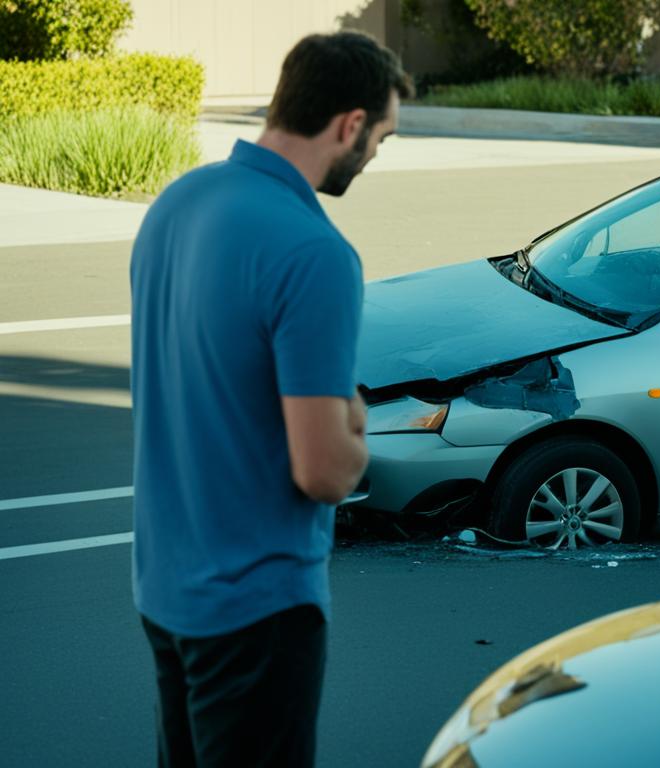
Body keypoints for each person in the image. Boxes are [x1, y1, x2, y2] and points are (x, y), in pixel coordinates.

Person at [129, 32, 413, 767]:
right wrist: (354, 423)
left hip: (166, 588)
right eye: (381, 136)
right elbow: (324, 471)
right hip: (257, 608)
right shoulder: (314, 252)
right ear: (349, 124)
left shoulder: (177, 204)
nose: (377, 154)